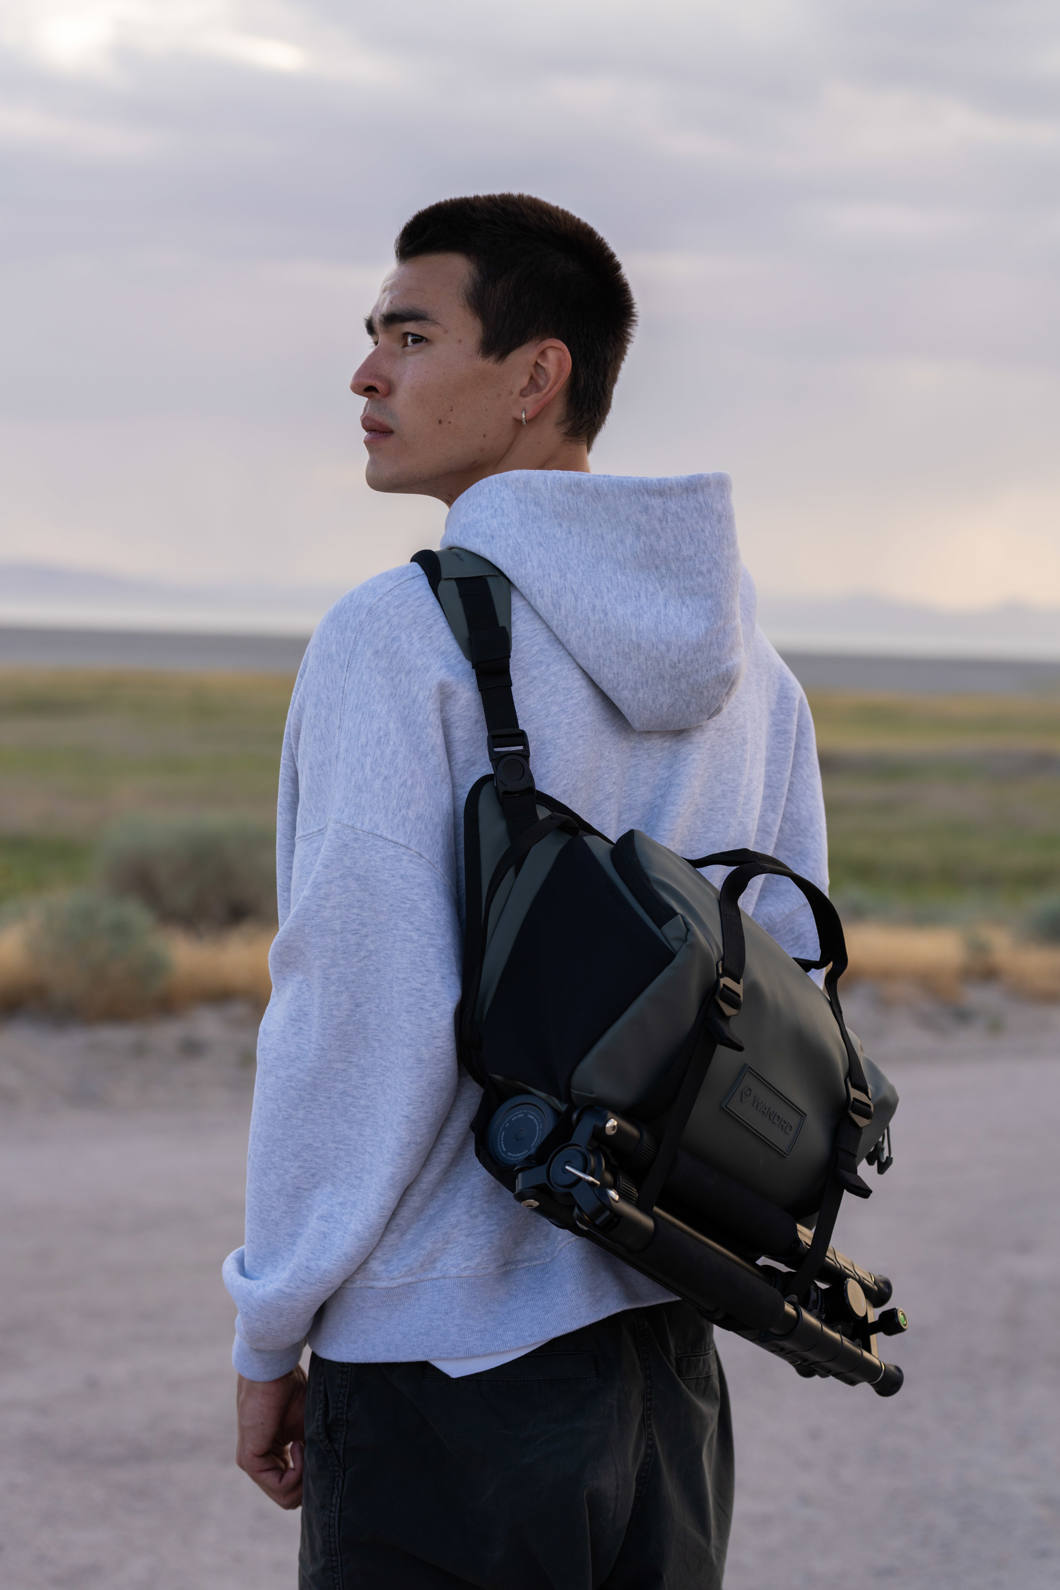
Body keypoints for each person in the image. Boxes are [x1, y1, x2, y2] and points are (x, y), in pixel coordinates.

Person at [223, 193, 828, 1589]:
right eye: (374, 337)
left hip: (446, 1371)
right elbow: (789, 978)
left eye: (411, 335)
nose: (366, 374)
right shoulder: (754, 673)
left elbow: (352, 1016)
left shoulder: (404, 635)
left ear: (536, 374)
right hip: (665, 1355)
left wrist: (271, 1324)